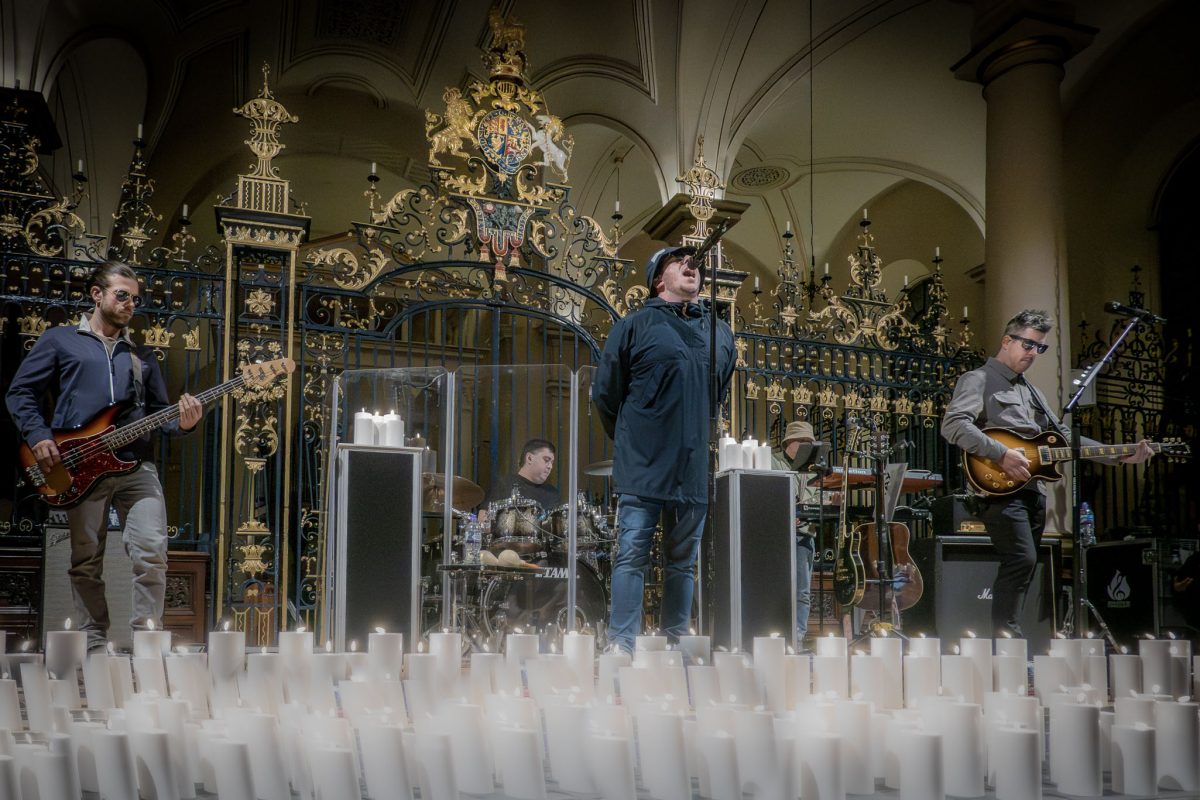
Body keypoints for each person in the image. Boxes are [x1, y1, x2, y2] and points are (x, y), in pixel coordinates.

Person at [6, 262, 203, 652]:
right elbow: (20, 393)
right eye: (122, 295)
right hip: (78, 464)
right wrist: (39, 436)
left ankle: (147, 642)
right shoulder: (60, 340)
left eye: (136, 299)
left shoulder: (142, 356)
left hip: (136, 465)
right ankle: (94, 644)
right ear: (97, 294)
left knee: (152, 550)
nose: (130, 304)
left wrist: (185, 422)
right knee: (86, 559)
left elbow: (161, 414)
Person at [941, 308, 1153, 638]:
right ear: (1007, 341)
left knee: (1026, 564)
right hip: (998, 487)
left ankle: (1008, 638)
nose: (1033, 353)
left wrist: (1119, 454)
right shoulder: (978, 379)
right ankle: (1007, 642)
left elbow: (1063, 438)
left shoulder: (1032, 392)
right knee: (1022, 558)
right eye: (1028, 345)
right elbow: (953, 425)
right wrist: (1001, 453)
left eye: (1040, 348)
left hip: (1033, 490)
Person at [592, 244, 736, 653]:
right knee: (632, 554)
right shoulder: (634, 326)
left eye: (695, 262)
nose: (691, 265)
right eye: (678, 261)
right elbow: (605, 395)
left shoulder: (720, 333)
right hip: (644, 464)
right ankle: (623, 644)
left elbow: (717, 396)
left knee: (684, 562)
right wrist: (634, 440)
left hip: (692, 467)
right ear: (658, 280)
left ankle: (676, 643)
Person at [771, 420, 827, 645]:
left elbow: (817, 498)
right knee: (776, 588)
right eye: (802, 442)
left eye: (809, 443)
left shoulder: (813, 468)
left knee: (802, 591)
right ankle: (774, 636)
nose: (806, 447)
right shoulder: (773, 462)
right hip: (778, 535)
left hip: (804, 535)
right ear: (789, 443)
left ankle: (797, 638)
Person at [485, 437, 560, 509]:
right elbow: (484, 515)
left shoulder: (553, 493)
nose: (550, 466)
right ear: (529, 458)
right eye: (546, 460)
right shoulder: (504, 485)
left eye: (552, 463)